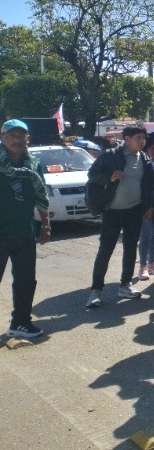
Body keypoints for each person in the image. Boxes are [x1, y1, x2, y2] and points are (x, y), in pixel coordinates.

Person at [86, 126, 154, 307]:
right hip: (112, 211)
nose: (142, 141)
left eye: (143, 138)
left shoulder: (144, 158)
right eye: (138, 138)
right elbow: (92, 175)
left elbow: (147, 185)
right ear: (127, 139)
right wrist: (109, 176)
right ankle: (96, 290)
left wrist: (149, 206)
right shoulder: (111, 155)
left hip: (134, 210)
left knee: (131, 248)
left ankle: (125, 285)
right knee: (105, 250)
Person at [0, 119, 50, 338]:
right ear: (3, 137)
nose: (18, 140)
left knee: (26, 281)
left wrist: (46, 224)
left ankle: (20, 322)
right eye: (13, 135)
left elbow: (41, 196)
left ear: (28, 139)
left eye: (22, 136)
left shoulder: (34, 164)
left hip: (24, 232)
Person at [137, 140, 154, 280]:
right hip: (145, 202)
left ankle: (151, 263)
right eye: (152, 148)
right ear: (146, 150)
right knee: (146, 234)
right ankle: (142, 266)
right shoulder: (142, 163)